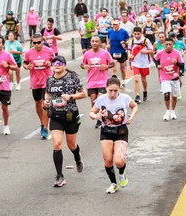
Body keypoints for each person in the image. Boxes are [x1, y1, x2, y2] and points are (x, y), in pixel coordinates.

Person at [43, 55, 87, 187]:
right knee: (57, 144)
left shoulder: (72, 77)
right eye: (54, 63)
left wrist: (70, 96)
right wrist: (46, 101)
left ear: (64, 65)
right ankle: (59, 176)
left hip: (70, 116)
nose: (56, 65)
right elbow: (48, 94)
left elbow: (83, 93)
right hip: (56, 116)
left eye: (59, 63)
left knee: (71, 145)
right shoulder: (50, 80)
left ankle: (77, 157)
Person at [89, 76, 138, 194]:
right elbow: (91, 112)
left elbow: (135, 106)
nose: (112, 93)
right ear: (106, 88)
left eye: (115, 90)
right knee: (108, 160)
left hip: (120, 131)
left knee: (119, 161)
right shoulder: (101, 99)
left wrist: (132, 115)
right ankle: (113, 183)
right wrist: (95, 116)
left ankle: (122, 172)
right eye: (110, 90)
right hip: (106, 131)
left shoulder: (125, 98)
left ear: (119, 89)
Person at [23, 33, 55, 139]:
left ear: (43, 41)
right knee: (38, 104)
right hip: (35, 82)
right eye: (34, 43)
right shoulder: (28, 53)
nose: (37, 45)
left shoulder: (49, 51)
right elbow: (24, 63)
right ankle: (42, 123)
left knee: (45, 104)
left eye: (39, 42)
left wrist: (51, 64)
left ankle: (45, 128)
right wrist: (27, 66)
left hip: (47, 81)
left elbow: (56, 62)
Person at [81, 36, 115, 127]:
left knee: (101, 99)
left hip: (102, 81)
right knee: (93, 101)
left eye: (96, 41)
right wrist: (84, 66)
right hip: (91, 81)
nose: (94, 43)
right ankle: (98, 117)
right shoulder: (87, 54)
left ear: (100, 43)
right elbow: (82, 64)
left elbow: (112, 63)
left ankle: (102, 119)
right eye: (93, 41)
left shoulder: (105, 53)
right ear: (90, 43)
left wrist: (106, 66)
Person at [154, 36, 185, 121]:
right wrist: (158, 65)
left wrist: (177, 63)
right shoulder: (160, 53)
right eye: (166, 44)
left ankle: (173, 111)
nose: (168, 46)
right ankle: (167, 111)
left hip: (174, 77)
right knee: (166, 94)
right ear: (164, 45)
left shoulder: (177, 53)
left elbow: (182, 65)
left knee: (174, 96)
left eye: (170, 44)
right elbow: (155, 59)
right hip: (164, 77)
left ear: (173, 45)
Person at [128, 27, 154, 103]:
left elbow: (152, 50)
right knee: (136, 79)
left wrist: (145, 52)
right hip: (135, 62)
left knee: (143, 79)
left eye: (138, 34)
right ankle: (137, 95)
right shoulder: (132, 41)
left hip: (144, 63)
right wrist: (129, 55)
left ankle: (145, 91)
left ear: (141, 33)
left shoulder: (146, 41)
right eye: (135, 34)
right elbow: (129, 50)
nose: (136, 36)